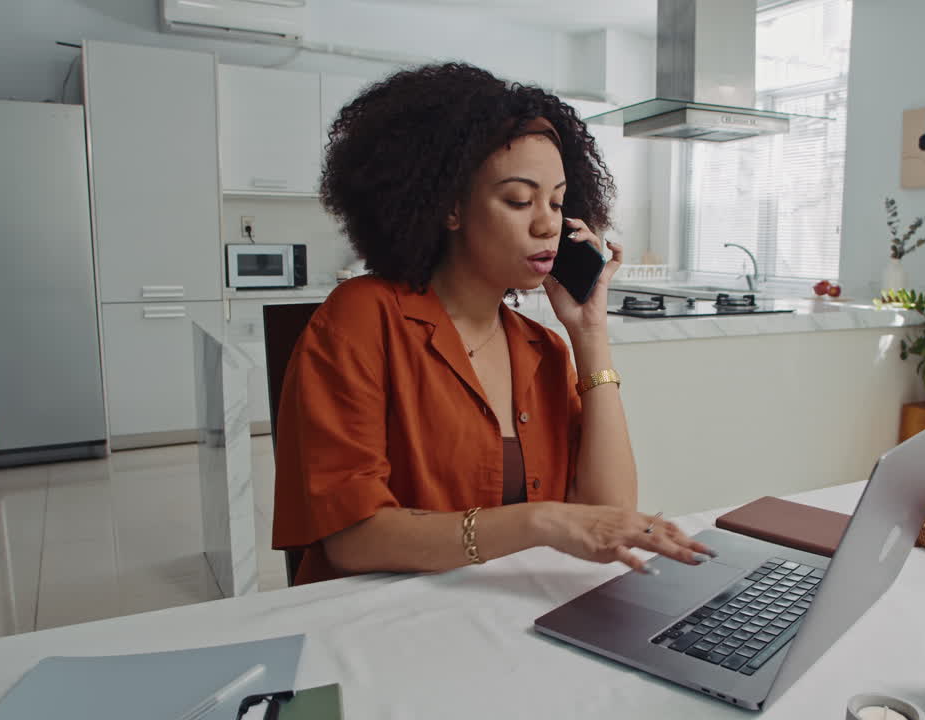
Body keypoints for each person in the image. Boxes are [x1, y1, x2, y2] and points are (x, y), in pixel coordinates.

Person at [272, 62, 714, 585]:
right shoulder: (363, 317)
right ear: (450, 207)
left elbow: (608, 514)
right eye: (518, 200)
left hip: (494, 611)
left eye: (557, 201)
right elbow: (352, 538)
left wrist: (590, 334)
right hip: (375, 617)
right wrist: (540, 521)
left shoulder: (543, 349)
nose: (548, 224)